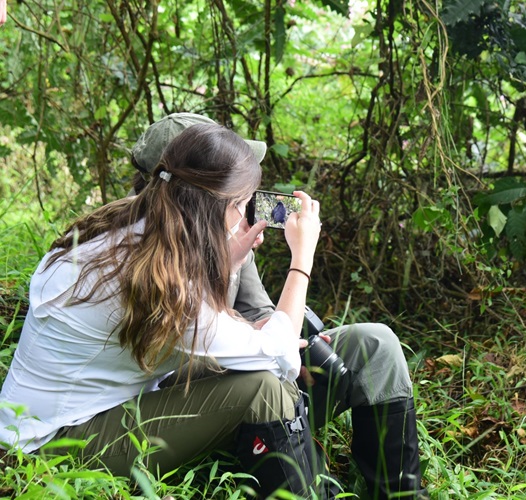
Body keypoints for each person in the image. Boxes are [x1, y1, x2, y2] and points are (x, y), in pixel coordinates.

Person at [0, 123, 326, 497]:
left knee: (245, 367)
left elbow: (208, 327)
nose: (248, 214)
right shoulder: (157, 284)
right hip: (46, 449)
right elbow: (281, 357)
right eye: (244, 204)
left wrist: (231, 261)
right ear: (218, 209)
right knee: (262, 389)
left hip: (60, 418)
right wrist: (302, 258)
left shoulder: (131, 232)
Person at [130, 113, 427, 499]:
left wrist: (288, 338)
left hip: (255, 374)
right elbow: (166, 357)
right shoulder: (136, 251)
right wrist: (294, 274)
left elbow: (259, 311)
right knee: (267, 375)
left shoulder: (228, 229)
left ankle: (400, 494)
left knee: (376, 344)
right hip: (192, 404)